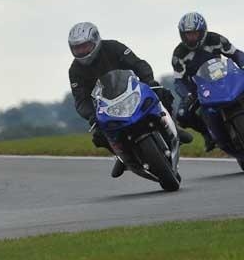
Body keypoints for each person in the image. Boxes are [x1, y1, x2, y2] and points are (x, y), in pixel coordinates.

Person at [67, 22, 191, 179]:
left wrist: (149, 81)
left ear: (95, 40)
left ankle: (174, 128)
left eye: (85, 46)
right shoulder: (75, 70)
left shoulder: (113, 47)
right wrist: (91, 115)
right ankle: (121, 156)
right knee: (99, 135)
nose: (81, 51)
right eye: (77, 48)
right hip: (106, 106)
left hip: (131, 92)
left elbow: (138, 64)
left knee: (161, 93)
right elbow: (80, 99)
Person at [172, 12, 244, 152]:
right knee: (182, 114)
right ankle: (207, 134)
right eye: (188, 34)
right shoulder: (179, 54)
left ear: (203, 32)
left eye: (195, 33)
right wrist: (187, 95)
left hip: (223, 78)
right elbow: (178, 80)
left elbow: (236, 54)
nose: (192, 37)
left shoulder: (216, 39)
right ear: (182, 35)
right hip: (198, 88)